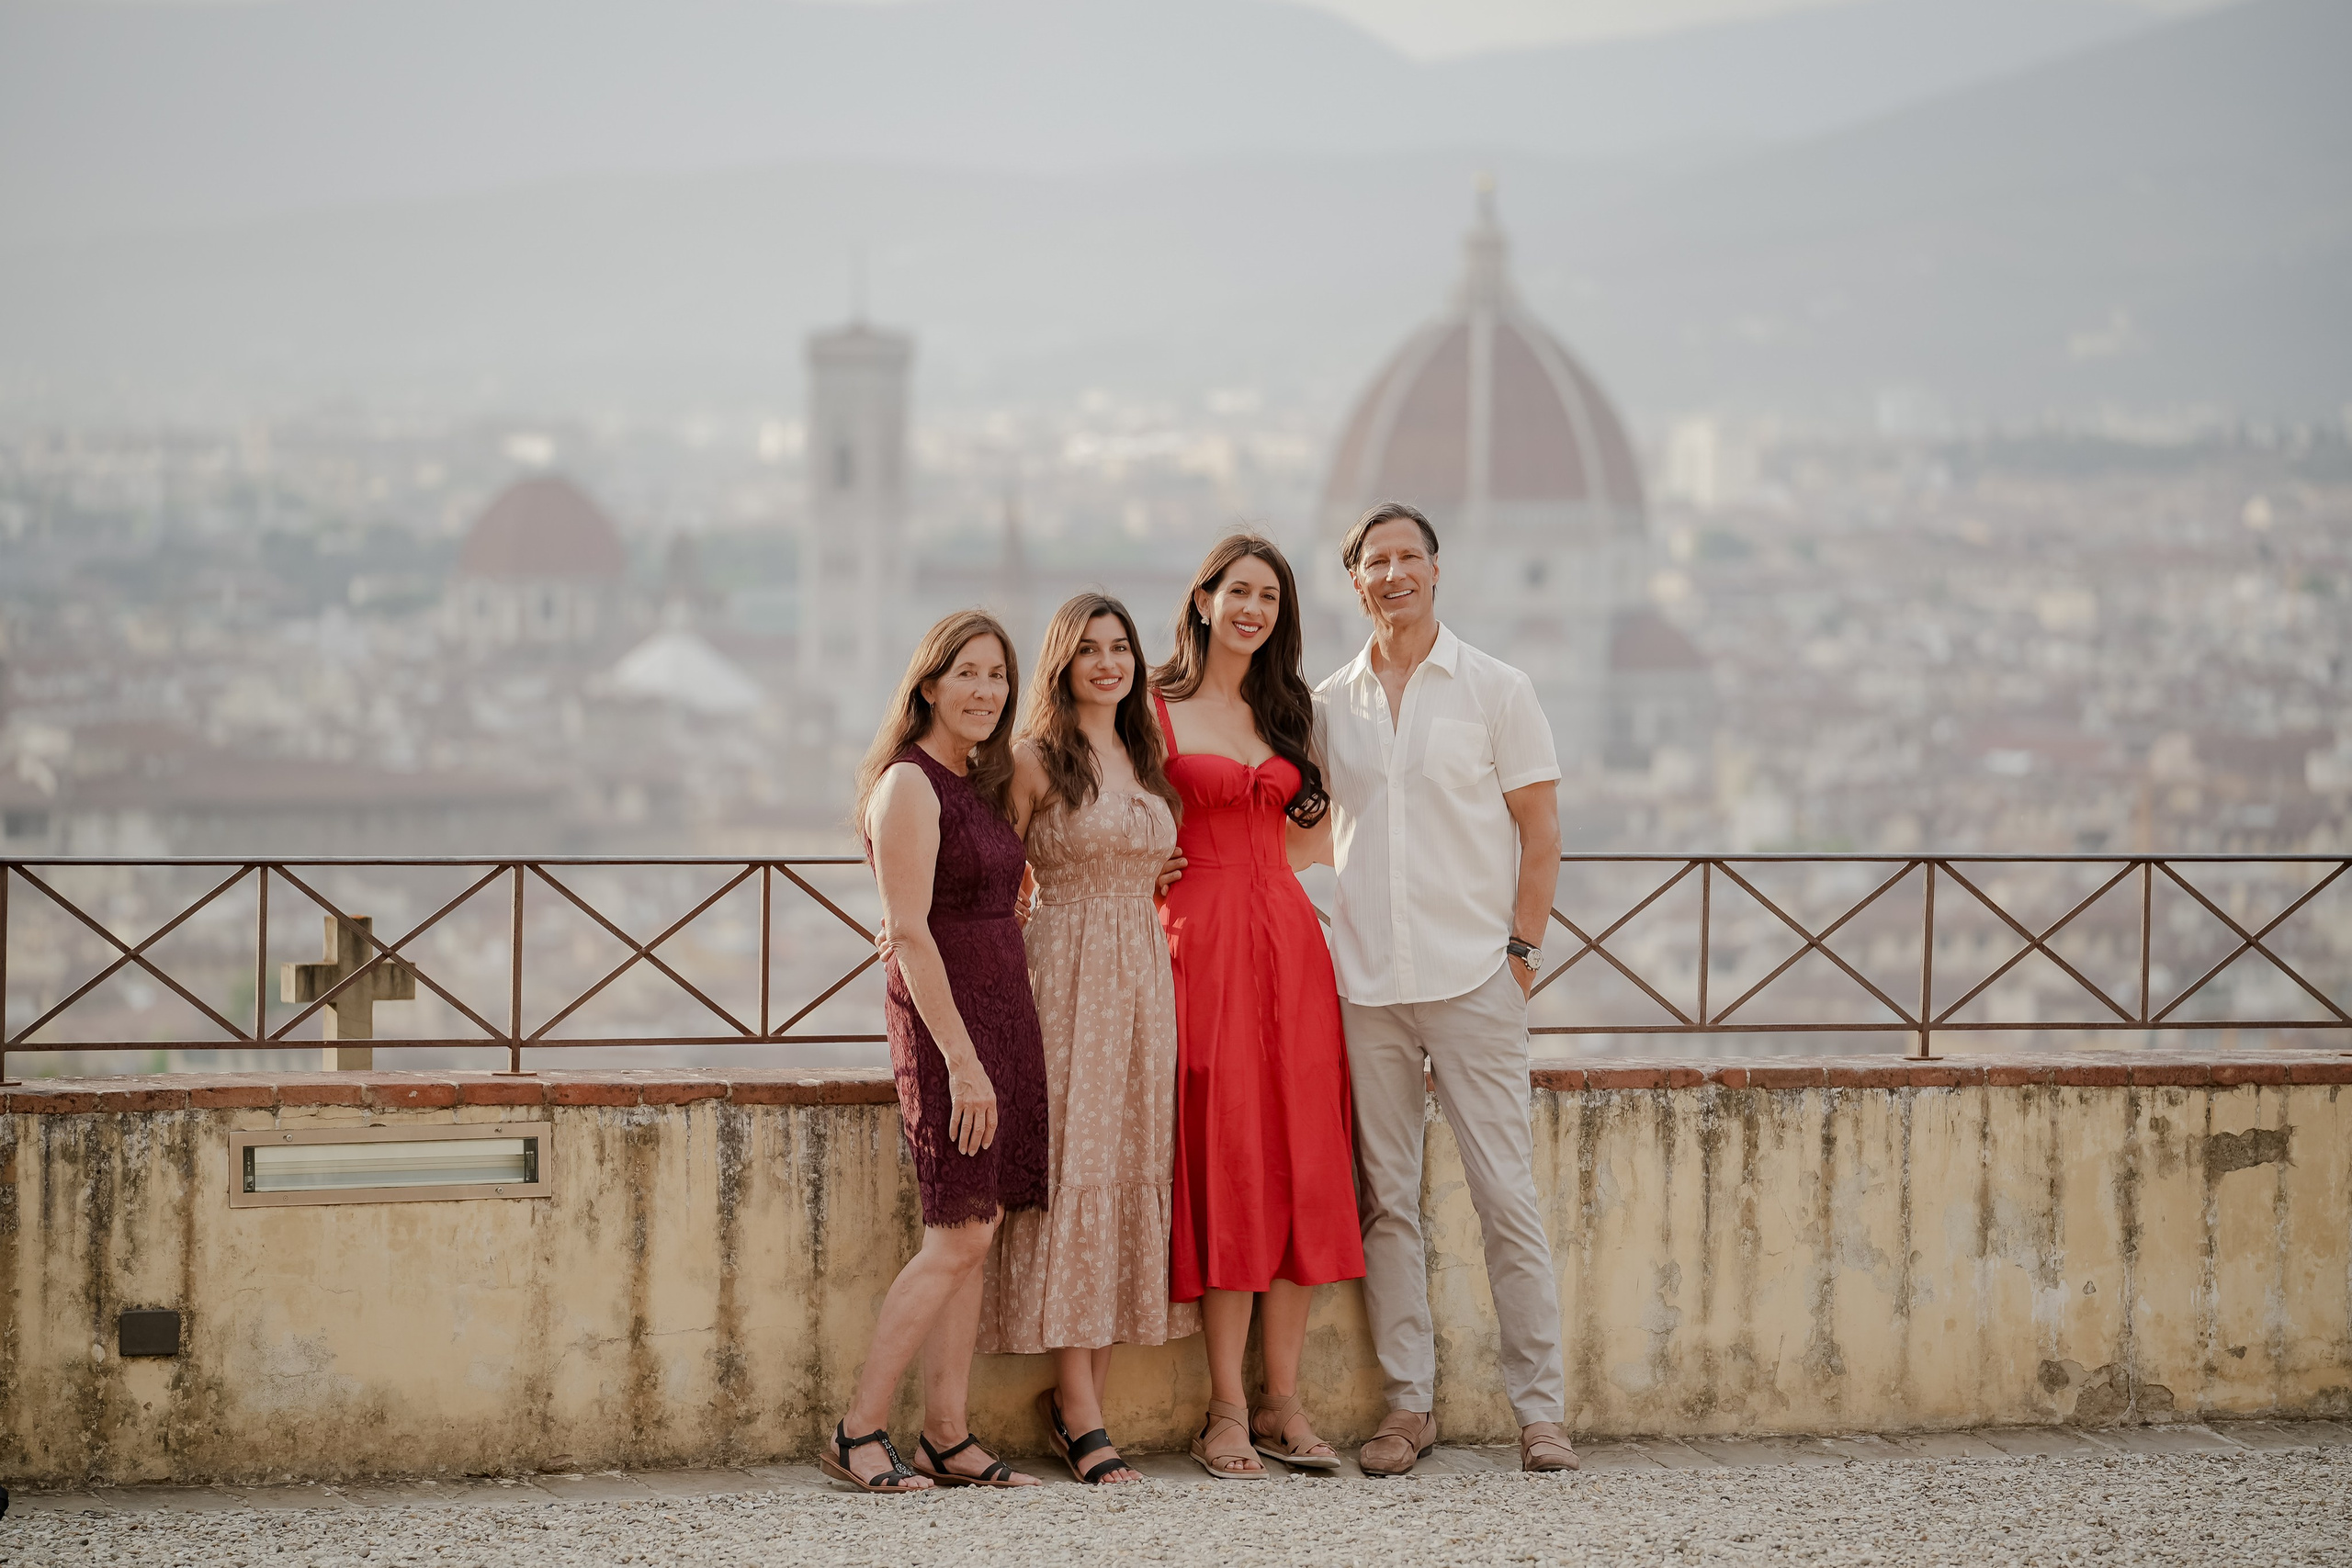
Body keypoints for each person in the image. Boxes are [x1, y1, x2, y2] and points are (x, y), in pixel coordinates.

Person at [1306, 501, 1578, 1475]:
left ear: (1435, 570)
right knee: (1388, 1203)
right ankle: (1406, 1409)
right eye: (1373, 561)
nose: (1391, 574)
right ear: (1355, 581)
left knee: (1505, 1197)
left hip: (1474, 980)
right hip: (1369, 984)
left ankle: (1541, 1414)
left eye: (1406, 556)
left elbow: (1539, 835)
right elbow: (1307, 833)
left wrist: (1518, 958)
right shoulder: (1329, 703)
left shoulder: (1497, 689)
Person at [1152, 533, 1364, 1480]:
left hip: (1290, 944)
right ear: (1201, 599)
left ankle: (1283, 1401)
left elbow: (1316, 848)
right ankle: (1225, 1409)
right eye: (1238, 591)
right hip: (1198, 949)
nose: (1252, 610)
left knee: (1300, 1164)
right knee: (1230, 1160)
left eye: (1269, 598)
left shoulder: (1288, 714)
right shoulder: (1148, 711)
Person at [976, 592, 1198, 1485]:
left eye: (1120, 648)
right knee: (1075, 1170)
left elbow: (1157, 859)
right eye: (1089, 650)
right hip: (1063, 981)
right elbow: (992, 874)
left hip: (1144, 979)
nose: (1108, 663)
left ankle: (1081, 1404)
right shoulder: (1033, 761)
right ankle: (1078, 1405)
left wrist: (1153, 864)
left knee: (1128, 1164)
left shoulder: (1146, 757)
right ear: (1063, 663)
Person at [828, 610, 1046, 1494]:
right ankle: (858, 1428)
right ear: (927, 684)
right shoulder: (908, 785)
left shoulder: (972, 780)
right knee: (957, 1231)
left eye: (999, 675)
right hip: (950, 1030)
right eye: (968, 673)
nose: (987, 691)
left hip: (1001, 1016)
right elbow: (908, 934)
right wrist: (960, 1060)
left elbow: (985, 895)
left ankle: (948, 1435)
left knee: (978, 1230)